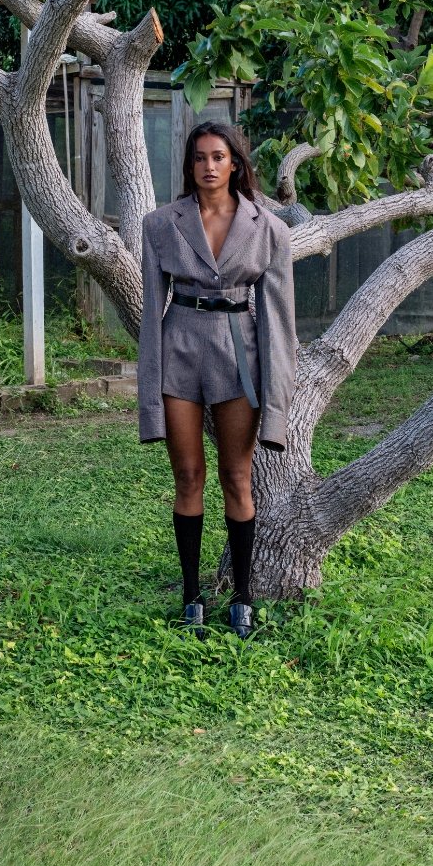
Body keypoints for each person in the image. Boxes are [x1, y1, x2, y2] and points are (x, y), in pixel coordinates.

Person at [137, 121, 296, 638]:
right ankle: (191, 597)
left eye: (219, 157)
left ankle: (243, 599)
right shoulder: (161, 223)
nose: (209, 166)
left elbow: (279, 319)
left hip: (239, 354)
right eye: (200, 158)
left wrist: (276, 401)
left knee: (237, 476)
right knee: (187, 477)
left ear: (235, 164)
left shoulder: (268, 228)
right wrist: (149, 392)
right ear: (189, 166)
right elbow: (149, 314)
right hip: (179, 348)